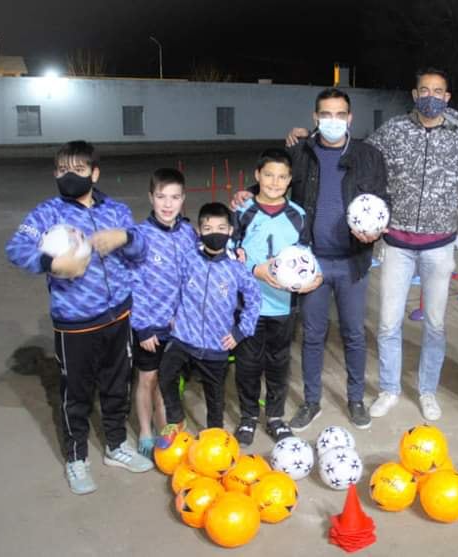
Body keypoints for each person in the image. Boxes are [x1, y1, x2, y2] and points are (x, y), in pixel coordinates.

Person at [233, 88, 388, 431]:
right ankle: (312, 401)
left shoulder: (368, 156)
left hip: (352, 261)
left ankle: (356, 399)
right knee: (313, 335)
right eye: (325, 114)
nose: (333, 121)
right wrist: (246, 191)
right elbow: (272, 182)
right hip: (310, 263)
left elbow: (381, 203)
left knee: (354, 334)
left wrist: (376, 231)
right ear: (315, 118)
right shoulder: (299, 153)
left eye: (340, 115)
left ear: (350, 118)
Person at [5, 140, 153, 495]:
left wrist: (125, 237)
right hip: (75, 323)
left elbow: (140, 249)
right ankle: (76, 456)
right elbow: (16, 249)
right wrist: (53, 263)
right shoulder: (47, 214)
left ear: (95, 173)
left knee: (117, 387)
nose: (69, 176)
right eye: (62, 170)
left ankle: (116, 445)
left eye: (79, 170)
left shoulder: (115, 210)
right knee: (76, 393)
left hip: (119, 316)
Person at [365, 68, 458, 421]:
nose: (431, 96)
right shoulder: (394, 130)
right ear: (414, 93)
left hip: (440, 245)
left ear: (448, 96)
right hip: (396, 243)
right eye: (425, 90)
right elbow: (362, 160)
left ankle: (427, 390)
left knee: (435, 324)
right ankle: (389, 389)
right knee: (389, 323)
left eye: (438, 91)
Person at [232, 148, 322, 446]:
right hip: (248, 304)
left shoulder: (298, 214)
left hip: (283, 305)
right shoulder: (242, 211)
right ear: (257, 176)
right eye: (268, 175)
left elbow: (306, 253)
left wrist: (316, 276)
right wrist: (254, 269)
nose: (274, 182)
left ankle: (274, 416)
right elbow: (229, 252)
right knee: (247, 363)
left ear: (290, 180)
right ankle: (247, 416)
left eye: (282, 176)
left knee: (278, 362)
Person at [156, 202, 261, 448]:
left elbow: (254, 299)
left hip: (216, 344)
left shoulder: (236, 268)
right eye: (208, 227)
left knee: (215, 397)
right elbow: (173, 286)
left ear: (230, 231)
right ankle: (175, 420)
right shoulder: (189, 258)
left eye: (221, 228)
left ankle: (213, 438)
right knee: (165, 375)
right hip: (183, 337)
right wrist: (170, 315)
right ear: (199, 231)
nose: (215, 233)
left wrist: (240, 332)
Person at [130, 168, 197, 457]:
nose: (168, 204)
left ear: (183, 199)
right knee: (148, 379)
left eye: (174, 197)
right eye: (161, 197)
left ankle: (165, 429)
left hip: (179, 326)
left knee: (168, 380)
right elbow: (132, 284)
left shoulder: (188, 233)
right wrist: (142, 326)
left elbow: (194, 277)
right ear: (150, 197)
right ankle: (146, 430)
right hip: (150, 326)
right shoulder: (140, 237)